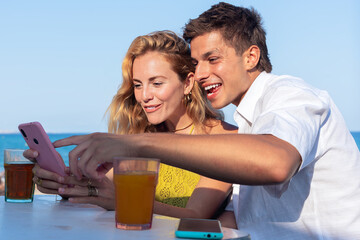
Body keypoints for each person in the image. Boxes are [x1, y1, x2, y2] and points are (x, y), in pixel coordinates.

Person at [52, 2, 360, 239]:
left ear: (250, 57)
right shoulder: (251, 124)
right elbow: (230, 221)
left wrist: (136, 144)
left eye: (213, 59)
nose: (199, 74)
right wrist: (75, 187)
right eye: (197, 63)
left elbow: (276, 164)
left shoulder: (293, 96)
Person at [25, 30, 238, 225]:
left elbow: (196, 215)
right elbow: (102, 190)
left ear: (187, 83)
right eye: (138, 85)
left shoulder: (225, 139)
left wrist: (121, 201)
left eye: (156, 83)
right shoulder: (140, 137)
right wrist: (63, 183)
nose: (144, 96)